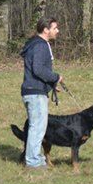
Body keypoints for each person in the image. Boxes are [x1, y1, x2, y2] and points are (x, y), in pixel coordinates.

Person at [20, 17, 63, 169]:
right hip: (35, 93)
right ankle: (33, 162)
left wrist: (51, 84)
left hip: (33, 91)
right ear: (46, 29)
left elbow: (35, 70)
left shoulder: (37, 44)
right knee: (37, 128)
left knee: (36, 127)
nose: (57, 31)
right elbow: (38, 69)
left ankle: (33, 159)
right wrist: (56, 77)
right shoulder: (40, 46)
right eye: (55, 28)